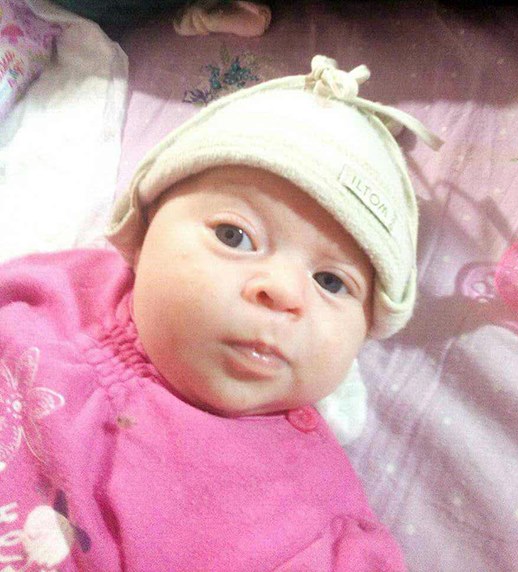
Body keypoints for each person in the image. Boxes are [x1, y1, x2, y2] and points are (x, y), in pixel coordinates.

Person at [0, 55, 441, 570]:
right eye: (235, 236)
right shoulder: (53, 290)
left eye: (331, 282)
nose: (283, 291)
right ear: (141, 233)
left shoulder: (306, 520)